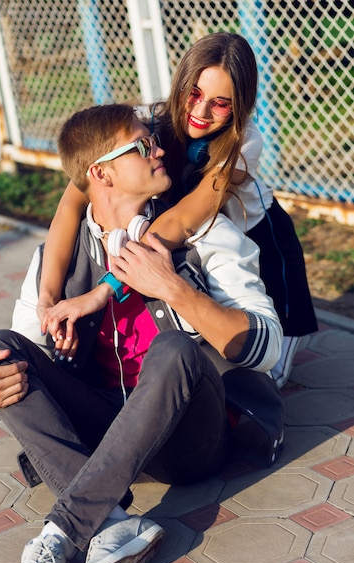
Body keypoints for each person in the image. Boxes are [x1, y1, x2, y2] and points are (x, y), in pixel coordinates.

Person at [0, 104, 283, 563]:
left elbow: (265, 345)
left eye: (153, 140)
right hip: (107, 432)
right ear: (101, 173)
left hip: (189, 441)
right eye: (142, 144)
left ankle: (63, 530)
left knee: (176, 349)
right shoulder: (60, 258)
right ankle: (111, 525)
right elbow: (25, 351)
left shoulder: (202, 237)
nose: (159, 149)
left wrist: (175, 290)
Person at [36, 31, 317, 387]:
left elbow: (183, 219)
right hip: (195, 245)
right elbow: (72, 204)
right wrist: (46, 299)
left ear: (240, 105)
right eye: (194, 94)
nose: (200, 112)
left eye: (220, 103)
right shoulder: (144, 124)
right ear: (181, 84)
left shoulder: (244, 143)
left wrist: (102, 290)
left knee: (267, 380)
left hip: (260, 243)